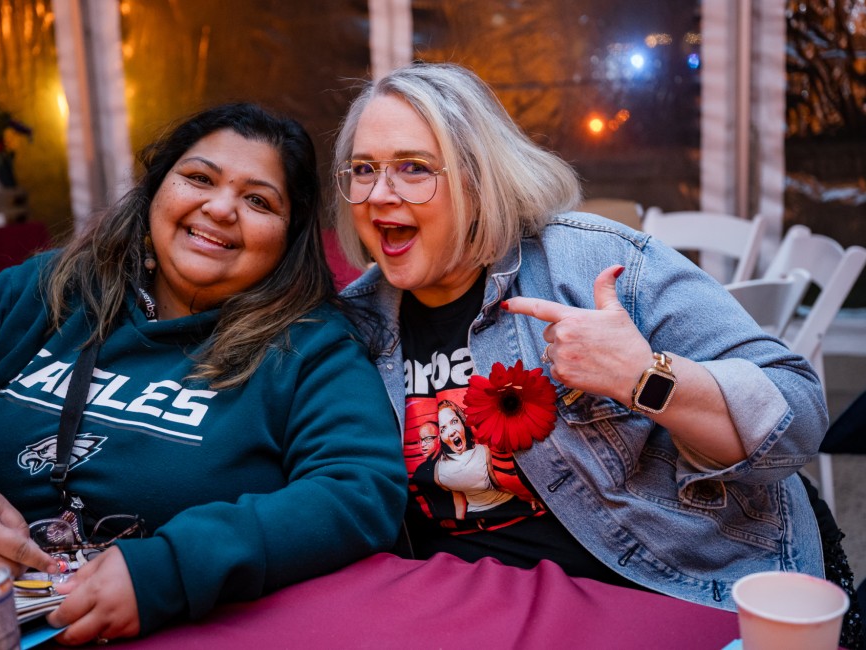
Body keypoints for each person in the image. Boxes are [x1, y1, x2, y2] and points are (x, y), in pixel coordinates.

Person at [0, 102, 406, 645]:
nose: (219, 208)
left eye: (258, 200)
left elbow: (359, 488)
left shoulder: (310, 345)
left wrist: (172, 569)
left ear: (289, 237)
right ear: (156, 189)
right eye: (198, 178)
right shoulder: (53, 289)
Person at [331, 62, 842, 612]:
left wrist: (644, 377)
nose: (379, 194)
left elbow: (798, 419)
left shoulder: (593, 262)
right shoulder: (356, 325)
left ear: (482, 178)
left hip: (663, 589)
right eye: (363, 169)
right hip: (463, 607)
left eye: (413, 167)